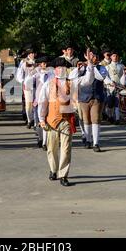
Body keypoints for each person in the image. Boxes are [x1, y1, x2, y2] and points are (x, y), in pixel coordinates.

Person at [38, 57, 91, 186]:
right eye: (58, 67)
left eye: (63, 67)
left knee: (66, 149)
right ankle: (53, 169)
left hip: (67, 120)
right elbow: (42, 102)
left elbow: (88, 80)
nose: (61, 69)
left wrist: (90, 64)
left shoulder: (71, 83)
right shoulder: (48, 84)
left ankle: (63, 175)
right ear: (54, 70)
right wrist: (41, 119)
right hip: (52, 120)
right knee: (52, 148)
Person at [70, 49, 110, 152]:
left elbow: (101, 77)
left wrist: (91, 65)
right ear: (85, 55)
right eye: (90, 55)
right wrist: (79, 69)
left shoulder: (102, 68)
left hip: (97, 97)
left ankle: (96, 143)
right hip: (83, 97)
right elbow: (72, 78)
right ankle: (87, 140)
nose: (93, 57)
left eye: (94, 55)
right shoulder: (81, 67)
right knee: (86, 119)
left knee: (95, 119)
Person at [24, 55, 54, 151]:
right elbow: (27, 83)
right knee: (38, 122)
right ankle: (40, 138)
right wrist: (32, 73)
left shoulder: (51, 74)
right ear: (40, 64)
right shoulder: (36, 74)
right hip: (38, 101)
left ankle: (45, 142)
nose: (44, 65)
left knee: (46, 121)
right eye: (42, 63)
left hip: (49, 101)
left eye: (46, 63)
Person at [16, 48, 36, 128]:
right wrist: (23, 82)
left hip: (37, 85)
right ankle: (29, 120)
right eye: (31, 53)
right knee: (28, 104)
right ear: (28, 54)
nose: (33, 55)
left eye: (34, 53)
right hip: (27, 86)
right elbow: (19, 75)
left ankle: (35, 121)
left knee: (36, 103)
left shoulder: (38, 62)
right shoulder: (23, 62)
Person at [105, 51, 125, 124]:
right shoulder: (107, 67)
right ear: (111, 57)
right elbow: (105, 77)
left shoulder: (122, 66)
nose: (115, 57)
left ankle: (117, 119)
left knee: (117, 103)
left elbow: (123, 76)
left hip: (119, 87)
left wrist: (123, 84)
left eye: (116, 56)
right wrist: (110, 82)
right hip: (110, 88)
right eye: (113, 56)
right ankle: (110, 116)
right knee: (110, 103)